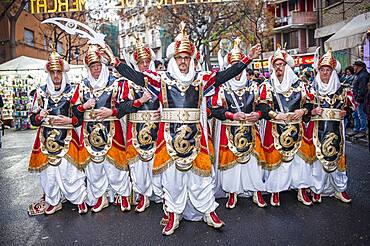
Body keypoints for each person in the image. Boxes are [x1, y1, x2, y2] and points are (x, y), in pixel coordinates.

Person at [102, 22, 261, 235]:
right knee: (172, 180)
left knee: (201, 179)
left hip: (196, 139)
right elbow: (137, 77)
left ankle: (208, 211)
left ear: (191, 59)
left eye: (186, 58)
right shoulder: (161, 80)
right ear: (173, 60)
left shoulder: (201, 79)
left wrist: (247, 58)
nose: (183, 62)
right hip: (169, 140)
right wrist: (114, 61)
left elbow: (225, 75)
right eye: (179, 58)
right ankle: (174, 214)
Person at [71, 44, 151, 213]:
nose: (96, 70)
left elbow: (125, 107)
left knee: (115, 166)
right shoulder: (82, 86)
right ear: (88, 68)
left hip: (112, 130)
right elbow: (74, 113)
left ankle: (122, 195)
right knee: (95, 168)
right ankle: (101, 197)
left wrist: (112, 111)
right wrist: (83, 106)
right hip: (90, 133)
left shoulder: (116, 83)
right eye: (93, 67)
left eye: (98, 66)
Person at [28, 50, 87, 215]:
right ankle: (53, 201)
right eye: (52, 72)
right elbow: (32, 119)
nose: (56, 76)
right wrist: (39, 116)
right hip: (46, 140)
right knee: (49, 174)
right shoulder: (40, 92)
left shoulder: (73, 91)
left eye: (58, 72)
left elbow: (79, 116)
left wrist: (69, 121)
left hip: (68, 138)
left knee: (70, 172)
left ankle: (79, 199)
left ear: (63, 73)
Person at [210, 37, 267, 208]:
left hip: (250, 130)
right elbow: (214, 110)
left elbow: (264, 106)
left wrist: (257, 114)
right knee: (231, 164)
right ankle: (232, 193)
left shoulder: (254, 86)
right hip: (229, 131)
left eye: (240, 67)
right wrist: (231, 115)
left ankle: (257, 191)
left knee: (253, 162)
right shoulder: (222, 88)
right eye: (235, 66)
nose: (238, 71)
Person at [257, 45, 314, 207]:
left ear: (287, 66)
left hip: (297, 129)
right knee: (277, 162)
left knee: (300, 162)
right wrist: (276, 115)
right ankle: (275, 190)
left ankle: (302, 190)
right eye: (276, 65)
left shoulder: (300, 85)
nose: (279, 68)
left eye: (281, 65)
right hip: (276, 128)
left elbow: (310, 102)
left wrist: (303, 111)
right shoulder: (267, 85)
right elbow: (262, 106)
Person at [310, 49, 357, 203]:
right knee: (318, 159)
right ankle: (317, 189)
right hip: (318, 131)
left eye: (328, 70)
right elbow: (304, 106)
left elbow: (352, 105)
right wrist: (312, 110)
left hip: (337, 130)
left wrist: (346, 111)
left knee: (337, 158)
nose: (325, 73)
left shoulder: (342, 90)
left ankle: (340, 189)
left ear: (332, 71)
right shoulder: (312, 89)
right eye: (322, 70)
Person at [124, 37, 161, 212]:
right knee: (139, 164)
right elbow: (121, 107)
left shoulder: (161, 81)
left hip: (158, 128)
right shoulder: (128, 83)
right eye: (141, 63)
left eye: (147, 62)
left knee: (157, 162)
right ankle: (143, 195)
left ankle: (160, 194)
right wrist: (139, 101)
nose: (145, 65)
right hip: (136, 130)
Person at [348, 60, 369, 138]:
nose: (354, 67)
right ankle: (356, 129)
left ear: (360, 67)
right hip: (357, 98)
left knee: (361, 115)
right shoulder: (359, 75)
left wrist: (358, 100)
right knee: (356, 114)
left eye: (355, 66)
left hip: (361, 99)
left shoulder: (363, 75)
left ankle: (362, 130)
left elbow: (362, 89)